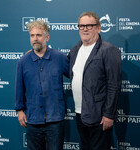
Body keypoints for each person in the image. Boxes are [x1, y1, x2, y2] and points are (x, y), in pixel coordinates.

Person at [68, 12, 122, 150]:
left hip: (99, 116)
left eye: (89, 25)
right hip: (80, 113)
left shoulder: (108, 50)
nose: (85, 29)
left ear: (98, 28)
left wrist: (109, 114)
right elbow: (65, 70)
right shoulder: (75, 50)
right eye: (82, 26)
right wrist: (38, 54)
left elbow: (113, 85)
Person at [14, 20, 69, 150]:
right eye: (32, 35)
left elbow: (76, 75)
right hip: (32, 118)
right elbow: (19, 88)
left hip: (55, 119)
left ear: (47, 37)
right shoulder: (23, 61)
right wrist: (19, 110)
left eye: (39, 35)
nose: (35, 39)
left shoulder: (59, 57)